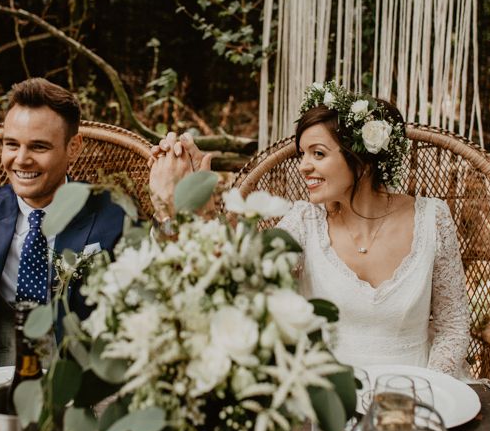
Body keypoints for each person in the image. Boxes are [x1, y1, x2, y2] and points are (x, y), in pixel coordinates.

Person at [149, 81, 470, 377]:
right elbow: (235, 276)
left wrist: (428, 395)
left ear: (363, 159)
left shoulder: (433, 219)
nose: (303, 165)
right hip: (328, 403)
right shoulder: (304, 223)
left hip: (416, 402)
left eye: (318, 153)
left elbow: (452, 328)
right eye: (302, 154)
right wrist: (188, 206)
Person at [0, 78, 125, 370]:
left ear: (74, 147)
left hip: (73, 371)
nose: (21, 160)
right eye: (11, 145)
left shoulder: (112, 215)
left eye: (38, 147)